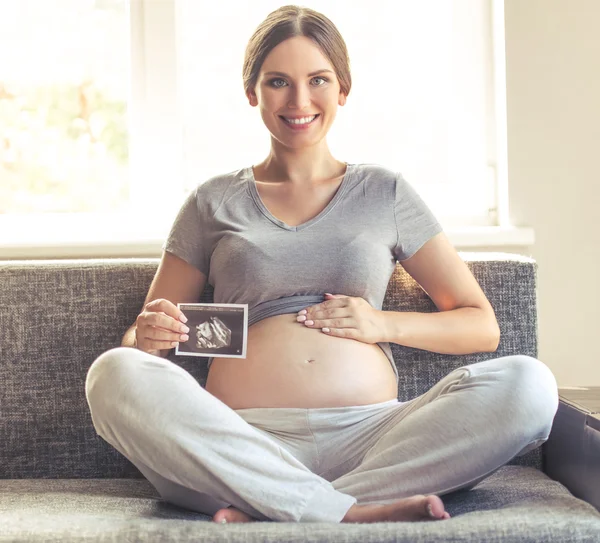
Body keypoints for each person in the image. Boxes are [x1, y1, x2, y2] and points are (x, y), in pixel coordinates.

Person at [85, 4, 559, 525]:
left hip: (374, 438)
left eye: (318, 80)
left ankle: (279, 505)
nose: (300, 100)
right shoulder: (210, 202)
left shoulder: (385, 192)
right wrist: (146, 336)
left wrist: (382, 324)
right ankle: (345, 512)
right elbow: (142, 339)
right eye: (278, 82)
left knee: (529, 384)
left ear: (343, 90)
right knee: (114, 372)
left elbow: (480, 324)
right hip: (241, 437)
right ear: (252, 93)